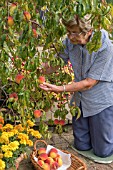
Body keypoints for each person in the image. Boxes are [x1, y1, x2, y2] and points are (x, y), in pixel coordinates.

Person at [39, 14, 113, 158]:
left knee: (103, 152)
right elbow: (57, 63)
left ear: (89, 31)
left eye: (74, 32)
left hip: (100, 99)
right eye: (68, 31)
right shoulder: (70, 41)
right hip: (80, 99)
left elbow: (89, 83)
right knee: (81, 145)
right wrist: (36, 70)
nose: (70, 36)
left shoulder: (106, 46)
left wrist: (60, 89)